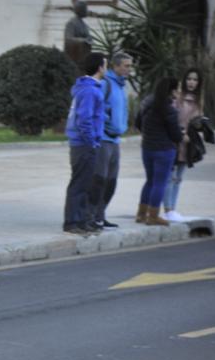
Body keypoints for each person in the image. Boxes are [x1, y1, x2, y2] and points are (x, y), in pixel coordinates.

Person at [63, 51, 107, 236]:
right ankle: (73, 222)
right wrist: (91, 141)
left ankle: (80, 220)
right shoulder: (90, 90)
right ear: (99, 67)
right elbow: (84, 119)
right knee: (79, 184)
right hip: (84, 144)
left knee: (84, 184)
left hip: (84, 143)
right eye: (105, 64)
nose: (107, 68)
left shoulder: (90, 88)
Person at [89, 52, 132, 229]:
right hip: (104, 140)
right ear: (115, 66)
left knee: (111, 182)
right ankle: (90, 216)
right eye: (126, 65)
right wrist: (107, 128)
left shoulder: (121, 86)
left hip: (115, 141)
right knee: (99, 180)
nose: (129, 69)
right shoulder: (106, 84)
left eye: (130, 66)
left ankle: (100, 215)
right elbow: (98, 110)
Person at [136, 77, 183, 226]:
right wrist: (184, 135)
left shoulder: (147, 104)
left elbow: (138, 123)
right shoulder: (169, 110)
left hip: (147, 148)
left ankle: (141, 214)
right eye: (178, 88)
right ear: (173, 91)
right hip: (164, 150)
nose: (180, 91)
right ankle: (153, 216)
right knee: (159, 183)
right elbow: (176, 135)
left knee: (150, 181)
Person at [162, 68, 204, 222]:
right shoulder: (177, 98)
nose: (191, 82)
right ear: (184, 80)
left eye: (195, 80)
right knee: (169, 177)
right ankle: (167, 210)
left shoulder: (199, 100)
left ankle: (173, 208)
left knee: (179, 178)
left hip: (188, 144)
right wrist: (180, 133)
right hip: (173, 141)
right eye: (189, 79)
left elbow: (196, 122)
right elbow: (170, 119)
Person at [64, 1, 92, 66]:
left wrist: (89, 39)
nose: (87, 11)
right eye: (85, 9)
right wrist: (83, 40)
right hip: (74, 56)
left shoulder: (84, 24)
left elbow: (87, 36)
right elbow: (68, 39)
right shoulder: (71, 23)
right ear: (80, 10)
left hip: (84, 56)